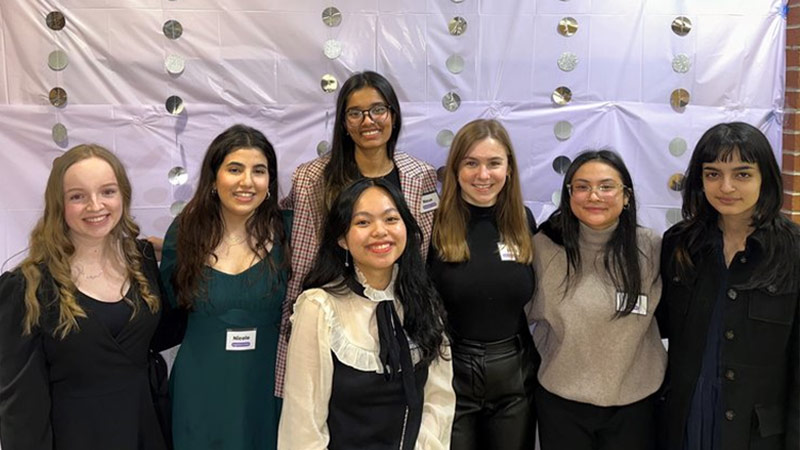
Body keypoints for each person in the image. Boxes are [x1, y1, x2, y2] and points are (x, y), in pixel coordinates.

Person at [0, 144, 176, 450]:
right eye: (78, 196)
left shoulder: (143, 259)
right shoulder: (26, 286)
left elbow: (162, 333)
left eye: (107, 191)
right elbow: (19, 406)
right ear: (59, 204)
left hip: (144, 429)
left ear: (123, 195)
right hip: (75, 436)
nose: (96, 206)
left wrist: (181, 252)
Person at [276, 70, 439, 397]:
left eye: (378, 110)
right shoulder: (313, 178)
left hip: (399, 314)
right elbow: (304, 261)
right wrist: (292, 330)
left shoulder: (420, 176)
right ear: (344, 123)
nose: (369, 121)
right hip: (335, 316)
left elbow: (418, 258)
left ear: (393, 115)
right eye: (355, 113)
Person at [278, 178, 454, 450]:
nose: (380, 231)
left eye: (391, 219)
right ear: (341, 238)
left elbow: (438, 401)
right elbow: (303, 426)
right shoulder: (319, 308)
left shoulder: (422, 301)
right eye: (362, 222)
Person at [657, 122, 799, 450]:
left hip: (756, 432)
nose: (726, 186)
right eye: (712, 174)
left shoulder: (793, 251)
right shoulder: (679, 243)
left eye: (742, 174)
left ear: (765, 178)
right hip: (685, 418)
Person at [159, 124, 291, 450]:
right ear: (214, 178)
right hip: (199, 390)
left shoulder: (289, 231)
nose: (247, 181)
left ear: (270, 182)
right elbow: (167, 304)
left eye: (258, 171)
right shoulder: (185, 232)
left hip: (268, 388)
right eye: (235, 169)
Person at [529, 150, 665, 450]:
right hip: (561, 405)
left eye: (606, 186)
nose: (594, 196)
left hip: (635, 406)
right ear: (568, 195)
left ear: (626, 195)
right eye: (582, 186)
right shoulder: (542, 248)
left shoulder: (651, 247)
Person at [428, 119, 538, 449]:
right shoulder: (431, 225)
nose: (483, 175)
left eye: (494, 163)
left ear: (509, 169)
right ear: (455, 168)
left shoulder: (524, 221)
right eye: (471, 163)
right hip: (451, 375)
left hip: (514, 379)